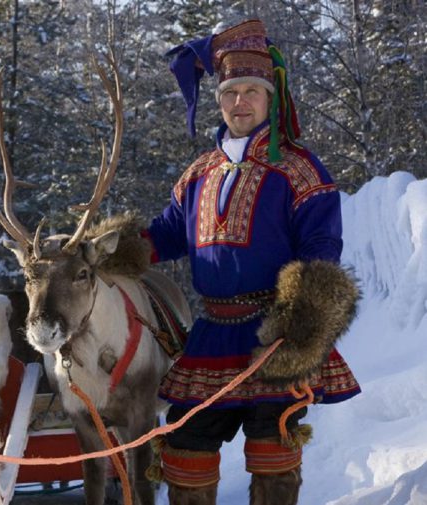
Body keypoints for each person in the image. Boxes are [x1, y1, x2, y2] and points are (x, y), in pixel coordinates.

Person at [140, 20, 361, 505]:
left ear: (270, 98)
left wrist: (295, 334)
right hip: (213, 335)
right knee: (185, 453)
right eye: (230, 91)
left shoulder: (301, 169)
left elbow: (322, 256)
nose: (240, 101)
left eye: (251, 92)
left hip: (275, 334)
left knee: (272, 458)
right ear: (219, 100)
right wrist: (113, 249)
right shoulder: (199, 172)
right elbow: (166, 235)